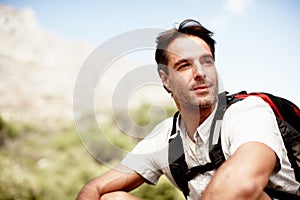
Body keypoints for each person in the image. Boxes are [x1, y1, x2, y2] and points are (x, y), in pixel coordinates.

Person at [76, 19, 300, 200]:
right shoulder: (164, 137)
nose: (200, 72)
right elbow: (95, 188)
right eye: (184, 65)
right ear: (166, 80)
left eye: (207, 62)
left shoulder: (248, 112)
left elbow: (243, 185)